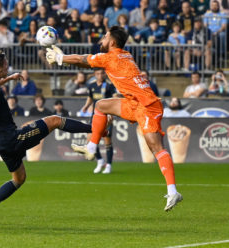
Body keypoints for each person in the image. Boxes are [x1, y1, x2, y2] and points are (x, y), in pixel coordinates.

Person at [46, 26, 183, 211]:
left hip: (148, 105)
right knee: (101, 105)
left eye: (104, 37)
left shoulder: (111, 57)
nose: (100, 40)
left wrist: (60, 58)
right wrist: (63, 57)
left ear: (112, 42)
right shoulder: (125, 55)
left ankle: (173, 191)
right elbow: (84, 61)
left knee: (156, 147)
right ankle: (92, 147)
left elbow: (82, 59)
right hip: (134, 103)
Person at [0, 50, 94, 222]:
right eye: (7, 64)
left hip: (1, 142)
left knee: (19, 178)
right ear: (0, 68)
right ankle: (93, 128)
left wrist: (9, 79)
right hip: (11, 139)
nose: (9, 66)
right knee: (54, 120)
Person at [81, 68, 117, 174]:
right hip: (95, 116)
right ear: (94, 74)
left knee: (107, 141)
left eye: (102, 73)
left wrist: (113, 112)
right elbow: (90, 98)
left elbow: (115, 99)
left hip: (107, 117)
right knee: (90, 140)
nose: (100, 75)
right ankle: (100, 161)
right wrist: (86, 106)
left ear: (104, 74)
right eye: (97, 74)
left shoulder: (109, 85)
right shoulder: (91, 85)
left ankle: (109, 165)